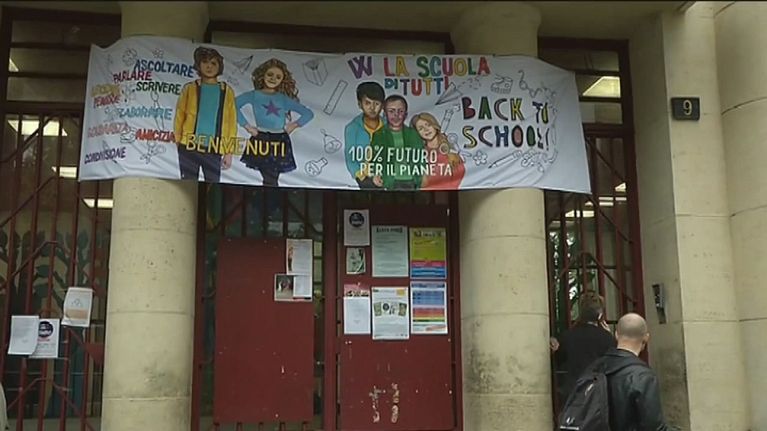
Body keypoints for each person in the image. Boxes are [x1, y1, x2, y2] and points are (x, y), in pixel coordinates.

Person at [236, 58, 314, 186]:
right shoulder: (254, 95)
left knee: (272, 178)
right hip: (261, 137)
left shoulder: (282, 98)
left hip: (279, 139)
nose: (273, 79)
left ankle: (270, 197)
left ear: (282, 80)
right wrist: (247, 126)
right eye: (270, 74)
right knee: (269, 178)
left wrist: (294, 125)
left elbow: (308, 113)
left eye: (278, 77)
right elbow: (233, 105)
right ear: (262, 75)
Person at [174, 46, 238, 182]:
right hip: (189, 146)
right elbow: (180, 115)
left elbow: (232, 123)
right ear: (198, 65)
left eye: (213, 63)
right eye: (205, 62)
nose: (209, 66)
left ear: (219, 66)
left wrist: (229, 151)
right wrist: (178, 141)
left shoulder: (226, 91)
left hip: (214, 148)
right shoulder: (190, 88)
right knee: (188, 183)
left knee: (213, 184)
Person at [601, 313, 669, 430]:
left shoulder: (595, 368)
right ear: (646, 338)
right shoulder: (643, 376)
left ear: (616, 335)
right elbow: (653, 426)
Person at [550, 291, 616, 405]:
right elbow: (613, 364)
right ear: (600, 314)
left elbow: (558, 361)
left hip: (573, 393)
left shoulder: (567, 336)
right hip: (597, 394)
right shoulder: (607, 338)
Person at [370, 95, 425, 190]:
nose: (396, 115)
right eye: (391, 111)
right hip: (389, 182)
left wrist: (422, 178)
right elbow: (375, 158)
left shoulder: (414, 134)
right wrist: (375, 174)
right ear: (385, 114)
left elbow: (421, 158)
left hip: (412, 182)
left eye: (401, 111)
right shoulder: (379, 135)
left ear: (406, 114)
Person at [344, 82, 386, 189]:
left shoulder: (389, 126)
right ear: (360, 104)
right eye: (368, 103)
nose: (372, 108)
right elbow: (350, 158)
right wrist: (363, 177)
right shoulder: (353, 128)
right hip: (364, 179)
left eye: (376, 104)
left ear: (382, 105)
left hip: (387, 177)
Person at [410, 112, 465, 190]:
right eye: (421, 128)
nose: (426, 130)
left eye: (428, 125)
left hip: (449, 193)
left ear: (434, 125)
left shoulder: (450, 150)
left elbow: (459, 173)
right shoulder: (418, 154)